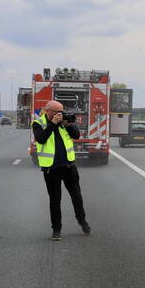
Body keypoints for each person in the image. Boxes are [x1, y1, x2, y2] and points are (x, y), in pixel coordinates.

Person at [32, 100, 91, 241]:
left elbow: (76, 135)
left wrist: (69, 125)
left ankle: (82, 221)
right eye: (57, 111)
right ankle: (56, 229)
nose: (60, 114)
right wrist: (53, 123)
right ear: (49, 111)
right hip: (51, 169)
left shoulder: (65, 121)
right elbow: (40, 139)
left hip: (69, 166)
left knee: (76, 195)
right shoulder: (38, 123)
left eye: (61, 111)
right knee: (55, 200)